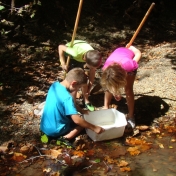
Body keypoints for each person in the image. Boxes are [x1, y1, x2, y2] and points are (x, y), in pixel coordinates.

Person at [40, 68, 104, 144]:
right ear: (73, 83)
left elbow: (70, 105)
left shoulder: (54, 85)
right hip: (55, 130)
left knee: (76, 118)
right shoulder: (67, 98)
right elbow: (76, 120)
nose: (78, 89)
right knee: (82, 124)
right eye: (78, 87)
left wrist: (81, 110)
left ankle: (47, 135)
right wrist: (94, 128)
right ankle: (65, 138)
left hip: (44, 127)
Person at [100, 45, 142, 129]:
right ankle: (106, 107)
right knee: (108, 87)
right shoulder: (105, 69)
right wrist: (116, 92)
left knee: (128, 89)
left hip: (128, 61)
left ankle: (131, 116)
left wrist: (132, 48)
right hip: (118, 53)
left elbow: (138, 53)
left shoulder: (129, 65)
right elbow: (110, 85)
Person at [58, 40, 102, 111]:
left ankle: (86, 100)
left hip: (80, 55)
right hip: (70, 55)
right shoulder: (75, 53)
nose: (93, 69)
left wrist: (89, 88)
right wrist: (63, 63)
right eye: (91, 67)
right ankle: (73, 104)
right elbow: (60, 47)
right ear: (85, 60)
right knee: (75, 82)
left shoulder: (93, 55)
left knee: (83, 80)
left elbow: (92, 74)